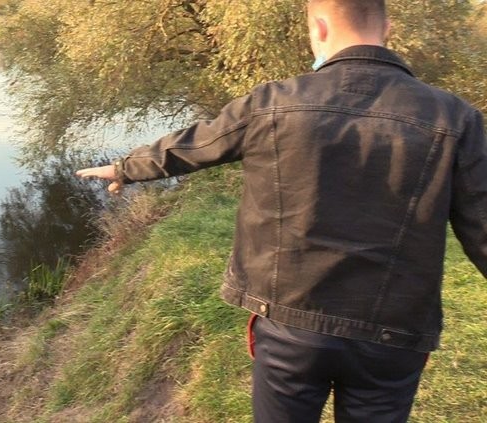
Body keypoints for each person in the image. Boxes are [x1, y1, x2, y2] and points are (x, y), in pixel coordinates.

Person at [76, 0, 487, 421]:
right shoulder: (456, 118)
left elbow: (198, 144)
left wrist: (126, 168)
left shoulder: (272, 101)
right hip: (392, 330)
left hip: (289, 320)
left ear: (319, 28)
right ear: (389, 29)